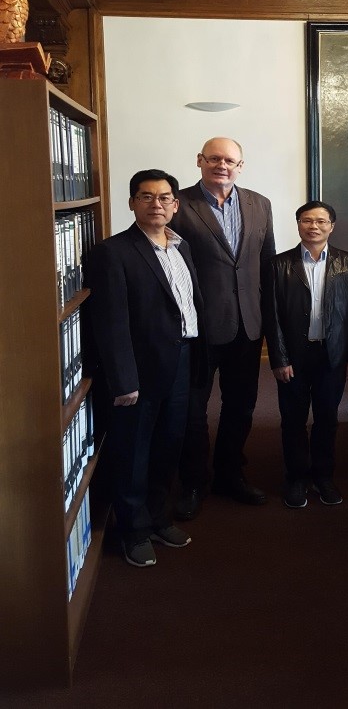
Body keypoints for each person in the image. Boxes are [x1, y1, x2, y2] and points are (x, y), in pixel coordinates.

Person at [87, 169, 207, 567]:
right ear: (132, 203)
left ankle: (158, 518)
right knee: (133, 451)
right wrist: (123, 379)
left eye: (164, 197)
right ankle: (132, 530)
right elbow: (111, 322)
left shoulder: (181, 246)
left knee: (167, 447)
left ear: (175, 204)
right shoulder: (113, 252)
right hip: (139, 371)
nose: (157, 204)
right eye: (146, 196)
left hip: (181, 361)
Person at [171, 137, 275, 513]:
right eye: (214, 158)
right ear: (200, 160)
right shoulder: (177, 204)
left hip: (247, 325)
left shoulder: (260, 204)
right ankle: (194, 482)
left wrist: (270, 321)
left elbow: (266, 265)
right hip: (197, 327)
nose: (222, 165)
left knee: (241, 406)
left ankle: (230, 474)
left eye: (230, 160)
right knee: (193, 409)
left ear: (240, 166)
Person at [264, 201, 348, 508]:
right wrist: (280, 359)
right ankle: (296, 478)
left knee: (327, 418)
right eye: (307, 220)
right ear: (298, 224)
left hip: (332, 355)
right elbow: (272, 317)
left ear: (331, 227)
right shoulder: (278, 264)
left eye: (321, 221)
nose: (314, 226)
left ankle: (323, 476)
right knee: (293, 420)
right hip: (294, 357)